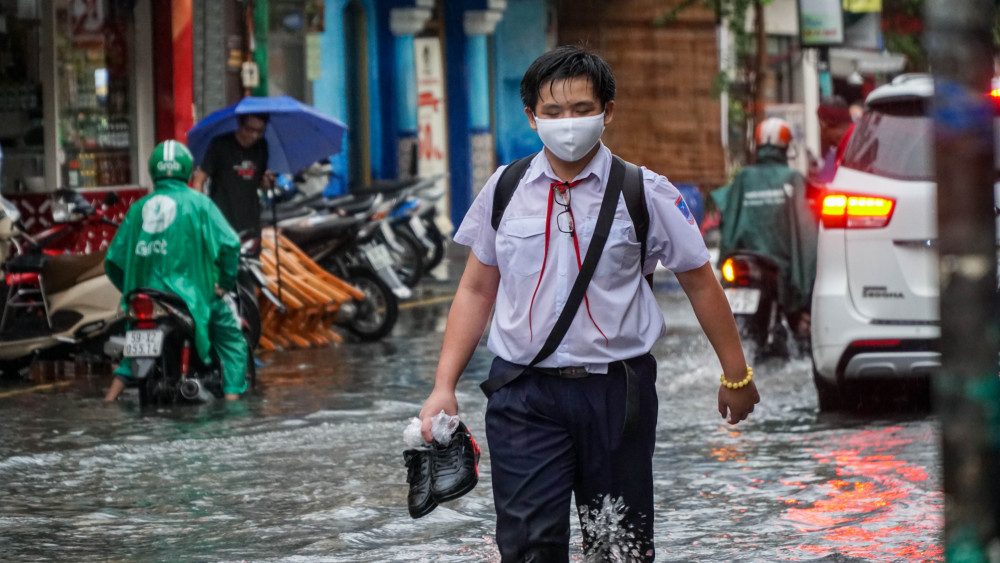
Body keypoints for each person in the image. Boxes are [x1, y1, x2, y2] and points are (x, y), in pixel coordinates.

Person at [417, 46, 759, 562]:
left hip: (617, 394)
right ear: (532, 117)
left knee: (618, 546)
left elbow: (700, 282)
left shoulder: (645, 192)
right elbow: (475, 289)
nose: (567, 123)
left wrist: (736, 373)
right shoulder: (505, 190)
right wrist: (444, 386)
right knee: (529, 546)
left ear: (608, 112)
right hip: (523, 395)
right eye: (553, 112)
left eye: (581, 109)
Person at [104, 140, 247, 402]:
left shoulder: (137, 208)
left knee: (135, 343)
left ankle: (109, 401)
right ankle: (233, 405)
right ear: (187, 170)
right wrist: (224, 284)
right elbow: (230, 243)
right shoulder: (200, 204)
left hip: (146, 298)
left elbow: (112, 260)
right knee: (231, 340)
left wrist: (130, 290)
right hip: (191, 299)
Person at [714, 117, 818, 338]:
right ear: (786, 148)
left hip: (741, 259)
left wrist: (724, 257)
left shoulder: (743, 177)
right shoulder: (792, 179)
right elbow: (806, 233)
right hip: (777, 264)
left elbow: (728, 216)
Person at [191, 113, 274, 241]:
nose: (254, 135)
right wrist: (200, 211)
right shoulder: (220, 144)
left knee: (250, 261)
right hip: (221, 222)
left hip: (251, 224)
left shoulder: (262, 146)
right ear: (240, 124)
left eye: (260, 131)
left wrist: (266, 182)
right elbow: (199, 179)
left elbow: (259, 182)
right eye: (250, 129)